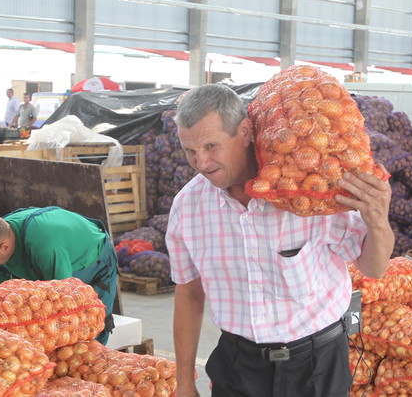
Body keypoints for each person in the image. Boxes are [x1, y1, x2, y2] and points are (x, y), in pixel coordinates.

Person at [167, 85, 393, 397]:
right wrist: (184, 382)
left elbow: (374, 267)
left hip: (316, 366)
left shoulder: (306, 192)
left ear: (245, 132)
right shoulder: (187, 207)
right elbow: (189, 294)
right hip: (238, 367)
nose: (201, 162)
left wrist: (378, 219)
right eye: (190, 151)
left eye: (211, 146)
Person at [0, 208, 118, 344]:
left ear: (4, 247)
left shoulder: (45, 244)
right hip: (50, 262)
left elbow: (62, 302)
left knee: (87, 328)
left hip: (93, 262)